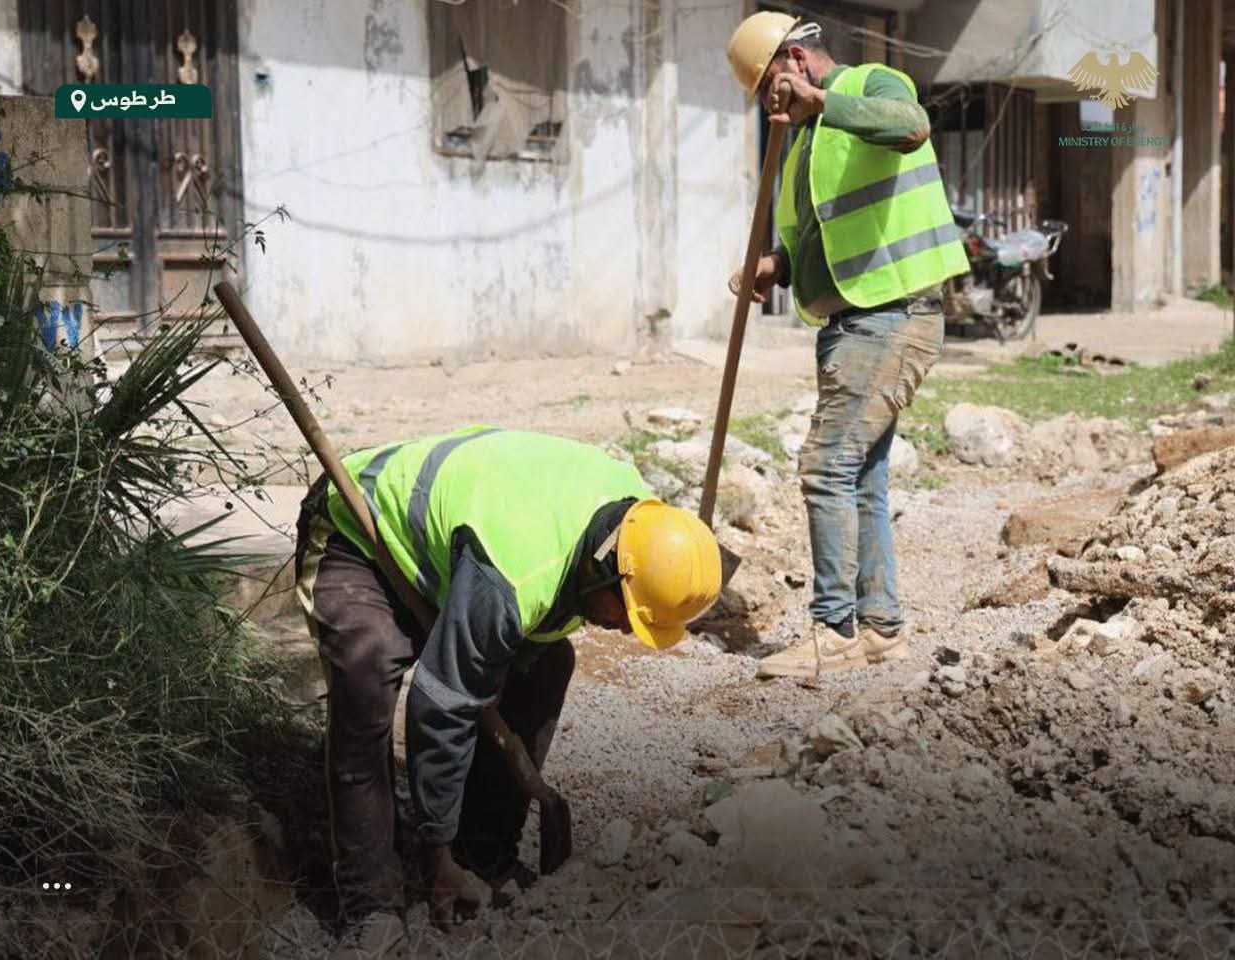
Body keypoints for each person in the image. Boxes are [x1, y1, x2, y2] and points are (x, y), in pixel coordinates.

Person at [293, 425, 722, 931]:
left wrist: (490, 668)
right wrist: (435, 849)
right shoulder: (516, 575)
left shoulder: (644, 530)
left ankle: (483, 856)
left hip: (462, 550)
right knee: (369, 673)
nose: (629, 630)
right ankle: (372, 903)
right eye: (628, 613)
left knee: (545, 668)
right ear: (601, 571)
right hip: (357, 531)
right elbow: (439, 706)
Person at [725, 13, 969, 681]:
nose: (770, 102)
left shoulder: (871, 84)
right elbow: (816, 235)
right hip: (851, 325)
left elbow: (910, 126)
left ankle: (833, 632)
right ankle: (880, 628)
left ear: (795, 60)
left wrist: (822, 103)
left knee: (826, 465)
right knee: (860, 476)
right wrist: (774, 265)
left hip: (892, 315)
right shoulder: (800, 143)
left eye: (769, 84)